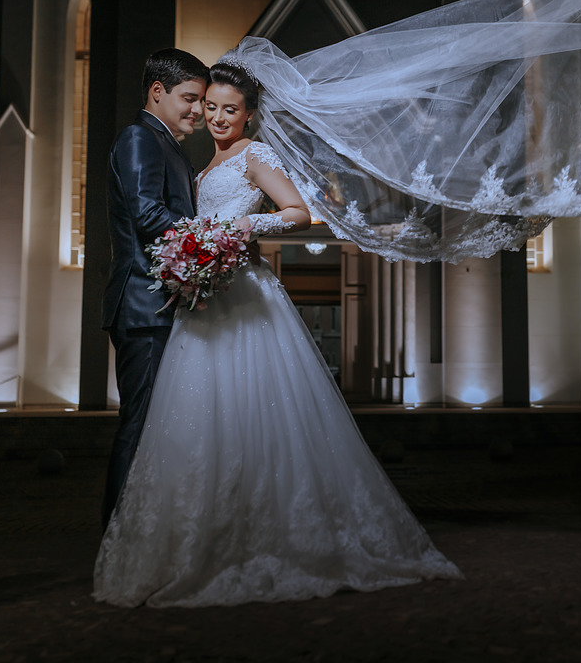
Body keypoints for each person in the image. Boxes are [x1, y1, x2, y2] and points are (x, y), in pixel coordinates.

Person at [93, 57, 462, 608]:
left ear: (249, 114)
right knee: (193, 423)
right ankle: (179, 536)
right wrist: (204, 245)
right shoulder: (183, 158)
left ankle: (243, 535)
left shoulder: (253, 155)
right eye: (205, 104)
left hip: (233, 294)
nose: (212, 115)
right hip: (197, 298)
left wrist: (243, 226)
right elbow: (156, 218)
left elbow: (300, 212)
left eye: (225, 108)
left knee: (248, 414)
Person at [100, 48, 209, 530]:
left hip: (166, 305)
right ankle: (118, 538)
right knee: (141, 424)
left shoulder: (171, 147)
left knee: (162, 427)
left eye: (202, 101)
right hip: (144, 306)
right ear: (157, 92)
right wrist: (210, 242)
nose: (198, 111)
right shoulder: (139, 138)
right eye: (190, 98)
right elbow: (146, 215)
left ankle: (152, 531)